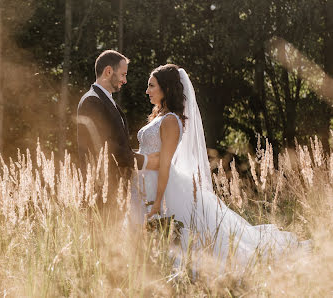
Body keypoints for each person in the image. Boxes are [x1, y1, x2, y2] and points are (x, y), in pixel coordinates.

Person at [131, 64, 310, 266]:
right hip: (145, 180)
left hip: (163, 185)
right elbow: (150, 153)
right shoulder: (160, 117)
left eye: (151, 86)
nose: (147, 91)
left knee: (183, 235)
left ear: (167, 89)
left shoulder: (171, 120)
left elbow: (165, 162)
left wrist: (158, 202)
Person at [77, 50, 159, 202]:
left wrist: (142, 153)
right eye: (123, 75)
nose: (125, 80)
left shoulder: (105, 100)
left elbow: (119, 145)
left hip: (115, 190)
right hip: (101, 191)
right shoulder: (92, 101)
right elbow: (107, 148)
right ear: (108, 71)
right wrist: (146, 161)